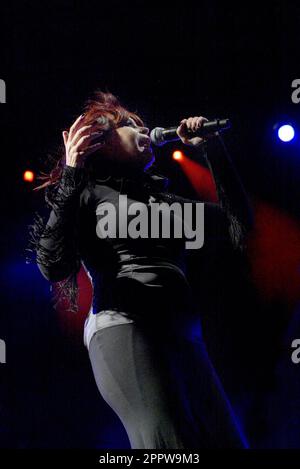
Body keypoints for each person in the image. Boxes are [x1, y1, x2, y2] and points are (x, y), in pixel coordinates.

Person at [28, 91, 253, 449]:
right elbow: (52, 265)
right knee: (168, 445)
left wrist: (213, 150)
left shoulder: (164, 203)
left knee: (227, 442)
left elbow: (237, 228)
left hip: (183, 335)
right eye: (129, 125)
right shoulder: (87, 193)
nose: (144, 128)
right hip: (127, 330)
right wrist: (72, 173)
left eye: (141, 123)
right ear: (100, 142)